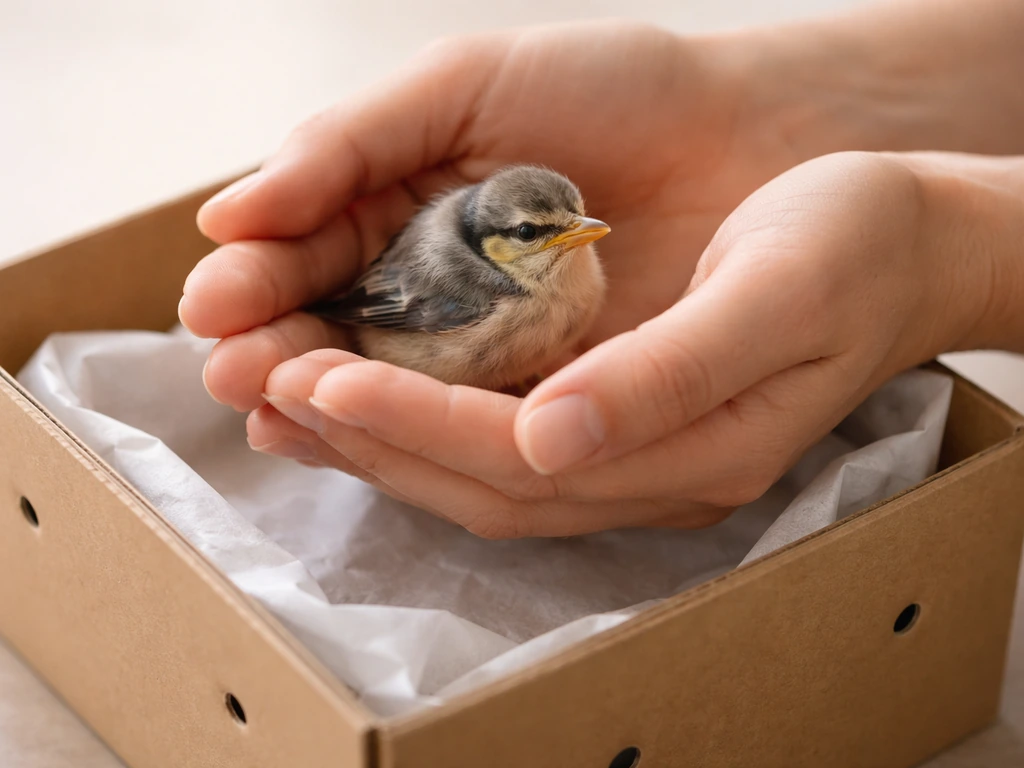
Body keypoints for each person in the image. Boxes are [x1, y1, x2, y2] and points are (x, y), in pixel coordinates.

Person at [177, 0, 1024, 539]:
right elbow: (374, 309)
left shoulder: (568, 267)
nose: (577, 236)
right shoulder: (482, 292)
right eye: (544, 234)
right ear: (493, 247)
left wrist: (960, 253)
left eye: (573, 219)